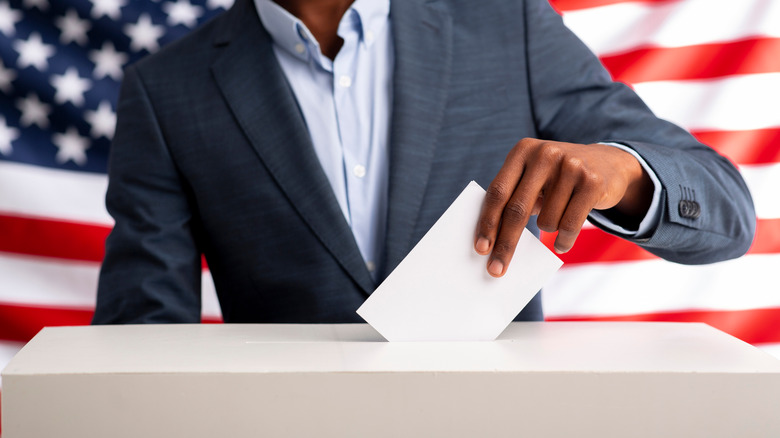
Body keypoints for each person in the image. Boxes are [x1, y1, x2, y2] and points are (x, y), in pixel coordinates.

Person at [92, 0, 755, 324]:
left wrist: (624, 171)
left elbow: (728, 215)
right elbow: (142, 336)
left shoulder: (508, 25)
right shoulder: (166, 91)